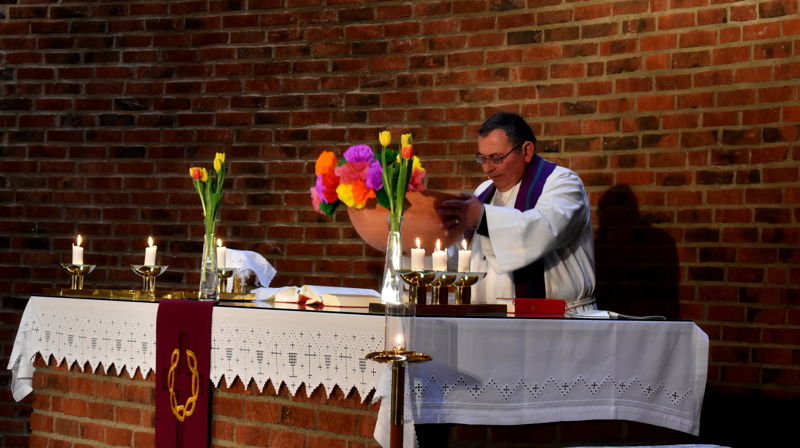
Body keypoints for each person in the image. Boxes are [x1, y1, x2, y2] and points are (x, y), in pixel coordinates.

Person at [437, 112, 596, 312]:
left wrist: (482, 218)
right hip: (489, 318)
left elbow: (542, 229)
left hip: (557, 319)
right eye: (482, 158)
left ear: (527, 150)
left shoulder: (563, 184)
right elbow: (466, 256)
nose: (487, 168)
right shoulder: (483, 192)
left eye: (496, 158)